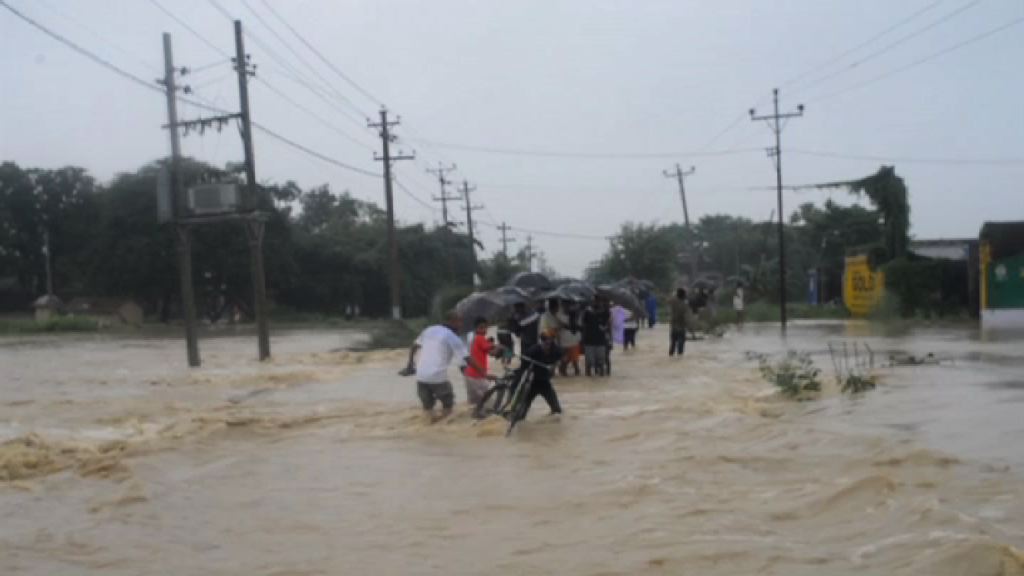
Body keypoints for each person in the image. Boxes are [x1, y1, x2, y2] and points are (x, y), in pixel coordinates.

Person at [404, 311, 491, 421]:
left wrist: (410, 364)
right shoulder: (452, 337)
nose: (461, 325)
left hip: (421, 376)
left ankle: (429, 429)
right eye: (460, 322)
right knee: (448, 405)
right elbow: (467, 359)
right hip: (438, 377)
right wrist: (484, 374)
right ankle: (444, 426)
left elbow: (414, 346)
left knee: (427, 409)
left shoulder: (429, 329)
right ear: (452, 321)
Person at [520, 331, 563, 417]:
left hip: (545, 382)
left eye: (549, 342)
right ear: (541, 341)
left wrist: (555, 365)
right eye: (545, 342)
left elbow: (561, 358)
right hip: (532, 382)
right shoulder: (534, 350)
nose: (547, 345)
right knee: (522, 412)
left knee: (557, 411)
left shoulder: (556, 350)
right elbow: (524, 363)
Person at [464, 317, 498, 405]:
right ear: (475, 329)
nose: (484, 330)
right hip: (477, 376)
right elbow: (492, 350)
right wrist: (500, 347)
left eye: (485, 327)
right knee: (487, 404)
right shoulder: (479, 338)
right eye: (481, 328)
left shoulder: (475, 338)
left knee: (475, 404)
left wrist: (494, 347)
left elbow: (491, 352)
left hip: (472, 375)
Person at [581, 299, 609, 376]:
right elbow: (584, 325)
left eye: (599, 301)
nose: (597, 303)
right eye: (595, 301)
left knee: (601, 362)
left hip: (600, 341)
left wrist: (609, 339)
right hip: (589, 340)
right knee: (589, 362)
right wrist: (582, 339)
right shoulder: (587, 312)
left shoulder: (605, 312)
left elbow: (608, 325)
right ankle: (589, 376)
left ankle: (601, 377)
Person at [557, 300, 582, 376]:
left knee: (574, 360)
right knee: (565, 358)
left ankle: (567, 370)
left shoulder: (576, 316)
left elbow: (579, 326)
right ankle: (563, 370)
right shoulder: (560, 315)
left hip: (574, 339)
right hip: (564, 340)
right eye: (566, 305)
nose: (568, 307)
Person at [670, 288, 689, 357]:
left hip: (674, 326)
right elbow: (686, 316)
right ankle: (679, 357)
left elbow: (670, 299)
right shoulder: (685, 303)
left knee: (673, 344)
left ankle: (671, 356)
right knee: (681, 345)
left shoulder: (673, 302)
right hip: (681, 326)